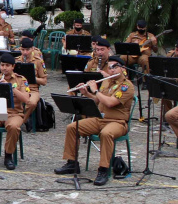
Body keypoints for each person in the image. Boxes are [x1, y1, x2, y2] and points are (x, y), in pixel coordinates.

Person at [54, 57, 134, 185]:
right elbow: (97, 101)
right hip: (100, 119)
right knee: (72, 127)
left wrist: (95, 90)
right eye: (109, 67)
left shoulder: (126, 86)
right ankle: (72, 163)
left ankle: (103, 169)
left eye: (115, 67)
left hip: (117, 122)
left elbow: (110, 103)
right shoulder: (107, 82)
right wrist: (86, 93)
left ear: (123, 69)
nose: (111, 70)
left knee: (106, 133)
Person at [18, 38, 47, 126]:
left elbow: (44, 81)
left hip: (33, 89)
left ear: (32, 49)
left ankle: (20, 122)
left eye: (27, 50)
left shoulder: (38, 61)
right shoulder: (16, 61)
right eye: (23, 50)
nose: (25, 52)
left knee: (32, 103)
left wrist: (32, 78)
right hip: (18, 88)